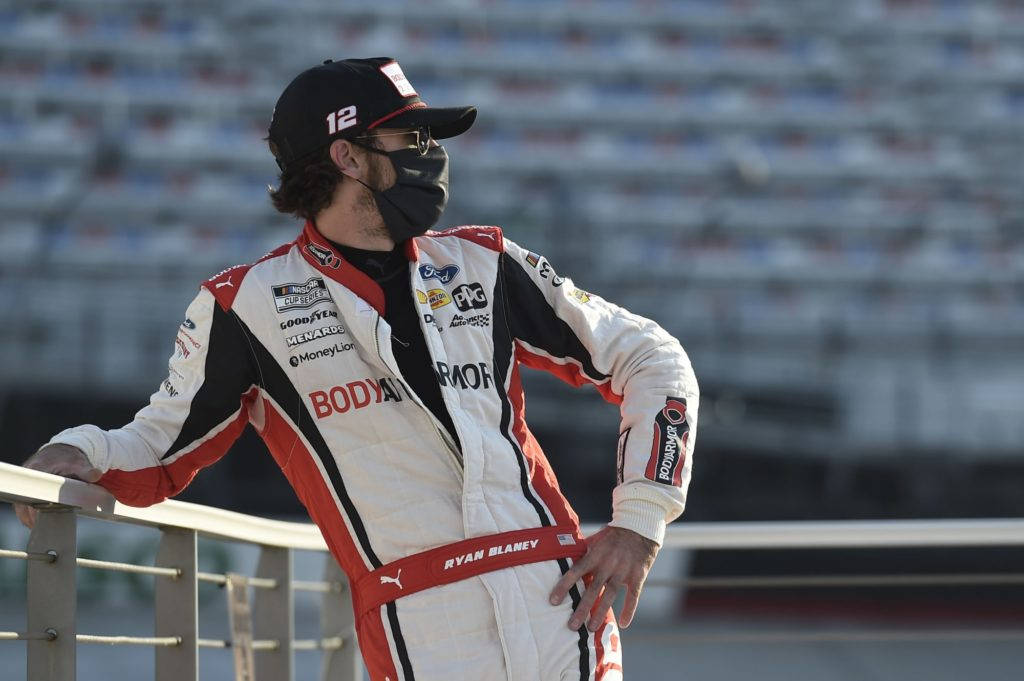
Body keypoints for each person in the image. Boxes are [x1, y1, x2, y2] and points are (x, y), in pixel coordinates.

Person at [15, 57, 699, 681]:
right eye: (412, 140)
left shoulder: (484, 260)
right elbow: (157, 446)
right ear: (347, 154)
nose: (432, 156)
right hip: (421, 629)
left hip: (563, 607)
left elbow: (653, 355)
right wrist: (82, 449)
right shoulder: (244, 304)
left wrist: (640, 518)